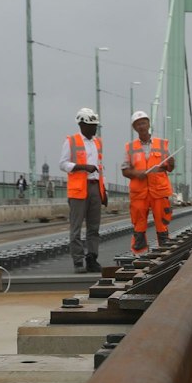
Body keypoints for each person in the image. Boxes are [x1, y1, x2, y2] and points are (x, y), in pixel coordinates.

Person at [60, 108, 109, 272]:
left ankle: (92, 258)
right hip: (78, 190)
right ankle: (78, 261)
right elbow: (63, 164)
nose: (94, 128)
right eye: (91, 125)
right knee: (76, 228)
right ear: (82, 125)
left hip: (95, 187)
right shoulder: (71, 141)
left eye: (95, 125)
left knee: (94, 227)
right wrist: (82, 167)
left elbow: (100, 167)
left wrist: (104, 191)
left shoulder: (97, 143)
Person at [121, 110, 174, 253]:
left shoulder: (162, 145)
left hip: (159, 192)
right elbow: (125, 170)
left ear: (148, 124)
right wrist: (136, 174)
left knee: (162, 225)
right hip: (139, 193)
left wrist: (171, 162)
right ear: (134, 128)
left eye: (143, 123)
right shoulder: (130, 148)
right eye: (138, 124)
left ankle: (164, 253)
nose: (141, 126)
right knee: (139, 226)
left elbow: (170, 168)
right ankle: (139, 256)